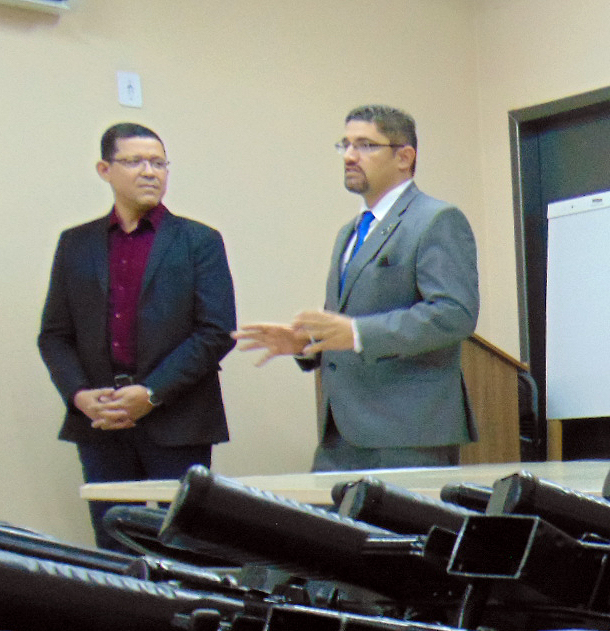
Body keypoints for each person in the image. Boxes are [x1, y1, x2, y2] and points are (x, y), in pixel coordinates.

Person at [234, 104, 478, 471]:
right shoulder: (349, 232)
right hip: (339, 433)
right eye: (345, 145)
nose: (349, 156)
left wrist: (358, 333)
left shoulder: (436, 220)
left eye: (365, 145)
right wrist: (306, 342)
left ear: (404, 157)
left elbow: (454, 314)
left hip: (406, 434)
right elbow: (346, 322)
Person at [37, 122, 236, 550]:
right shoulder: (76, 244)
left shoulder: (199, 241)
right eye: (135, 162)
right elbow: (54, 335)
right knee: (115, 549)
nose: (150, 172)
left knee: (182, 549)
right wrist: (79, 395)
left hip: (178, 419)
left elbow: (216, 332)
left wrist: (151, 393)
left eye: (159, 163)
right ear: (104, 169)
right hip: (101, 419)